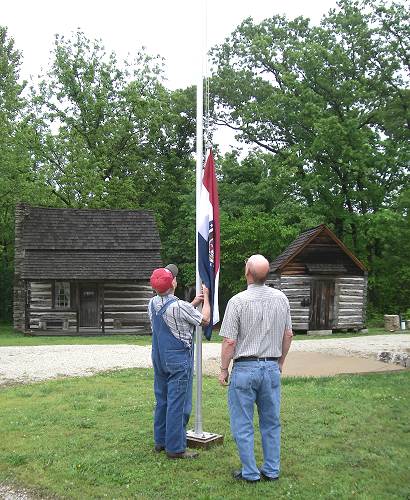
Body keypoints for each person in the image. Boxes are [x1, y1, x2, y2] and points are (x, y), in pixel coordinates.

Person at [218, 254, 293, 482]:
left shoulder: (237, 301)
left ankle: (250, 472)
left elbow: (230, 341)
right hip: (270, 367)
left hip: (245, 369)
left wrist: (223, 369)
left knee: (243, 422)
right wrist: (279, 362)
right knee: (271, 422)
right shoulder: (281, 299)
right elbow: (288, 334)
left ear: (247, 273)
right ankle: (271, 469)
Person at [149, 264, 210, 459]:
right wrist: (206, 299)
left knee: (163, 399)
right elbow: (205, 320)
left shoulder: (152, 303)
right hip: (177, 359)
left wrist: (191, 303)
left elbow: (173, 313)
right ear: (173, 283)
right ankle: (175, 448)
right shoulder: (180, 306)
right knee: (177, 402)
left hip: (159, 357)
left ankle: (160, 441)